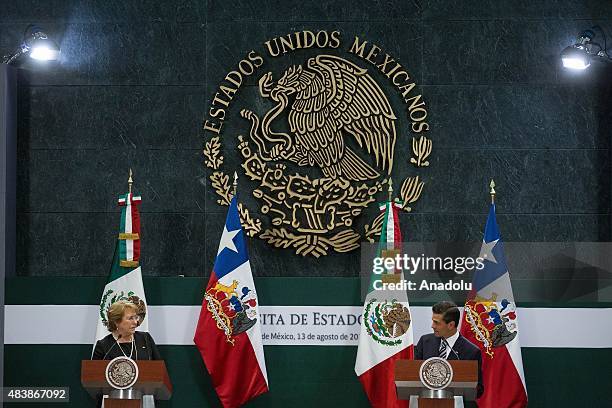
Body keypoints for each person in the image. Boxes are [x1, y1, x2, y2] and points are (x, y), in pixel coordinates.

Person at [415, 301, 484, 399]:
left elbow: (479, 389)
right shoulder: (425, 342)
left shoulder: (471, 351)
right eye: (433, 321)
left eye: (436, 323)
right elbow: (413, 375)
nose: (432, 326)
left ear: (451, 325)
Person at [92, 300, 161, 361]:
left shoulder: (145, 338)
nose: (135, 322)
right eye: (130, 318)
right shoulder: (103, 345)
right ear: (116, 321)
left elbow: (159, 368)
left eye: (136, 317)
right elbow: (94, 373)